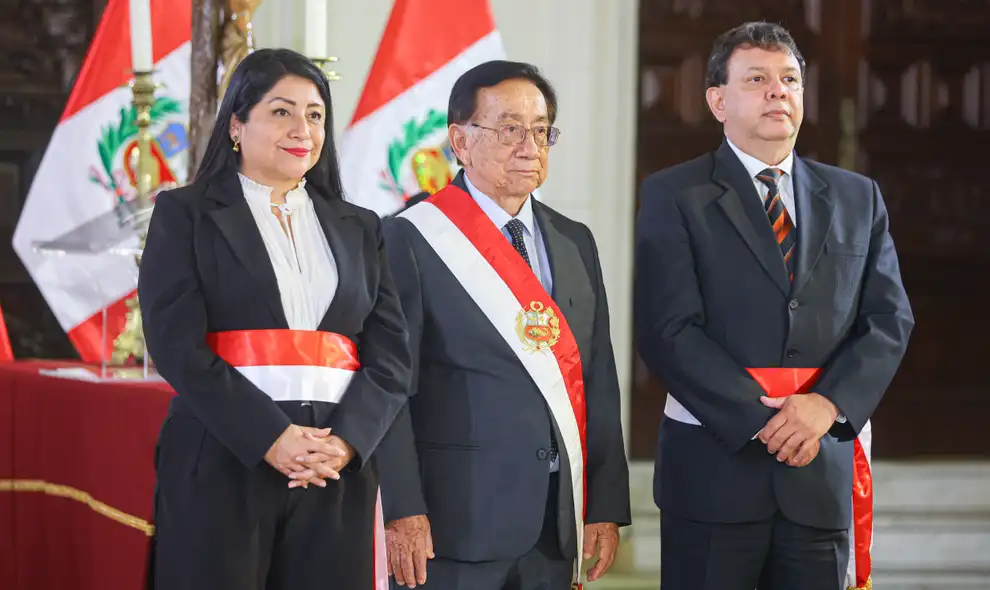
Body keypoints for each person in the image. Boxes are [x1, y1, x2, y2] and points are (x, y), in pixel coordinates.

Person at [634, 21, 915, 590]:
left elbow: (888, 319)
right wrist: (767, 421)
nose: (778, 92)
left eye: (790, 79)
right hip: (715, 473)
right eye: (757, 78)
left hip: (818, 470)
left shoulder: (856, 197)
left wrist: (825, 407)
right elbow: (668, 330)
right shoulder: (674, 194)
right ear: (718, 100)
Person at [138, 48, 409, 590]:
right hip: (222, 459)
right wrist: (271, 437)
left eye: (314, 114)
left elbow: (392, 357)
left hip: (334, 472)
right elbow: (176, 348)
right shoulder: (185, 215)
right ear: (237, 123)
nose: (301, 128)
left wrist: (347, 442)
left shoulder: (361, 226)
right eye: (281, 111)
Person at [375, 60, 631, 590]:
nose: (529, 145)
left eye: (541, 130)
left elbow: (597, 376)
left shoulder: (574, 241)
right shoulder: (410, 239)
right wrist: (402, 509)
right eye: (510, 128)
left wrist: (604, 502)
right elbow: (390, 387)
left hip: (554, 524)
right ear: (460, 141)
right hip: (452, 523)